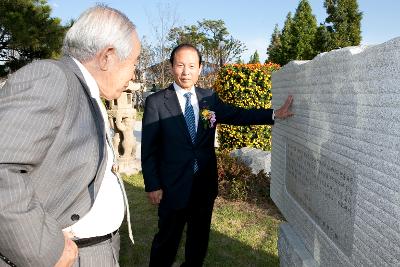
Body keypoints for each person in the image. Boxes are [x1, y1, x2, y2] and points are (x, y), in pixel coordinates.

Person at [0, 5, 140, 267]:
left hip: (98, 249)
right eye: (134, 63)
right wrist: (44, 248)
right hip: (66, 256)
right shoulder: (52, 78)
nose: (133, 74)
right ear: (108, 56)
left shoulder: (86, 90)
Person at [141, 43, 293, 267]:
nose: (186, 71)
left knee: (199, 240)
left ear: (200, 68)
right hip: (173, 186)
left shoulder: (209, 98)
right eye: (180, 65)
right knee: (167, 240)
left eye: (192, 66)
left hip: (203, 185)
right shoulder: (156, 102)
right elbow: (149, 148)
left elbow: (237, 114)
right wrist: (152, 185)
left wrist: (274, 114)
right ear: (172, 67)